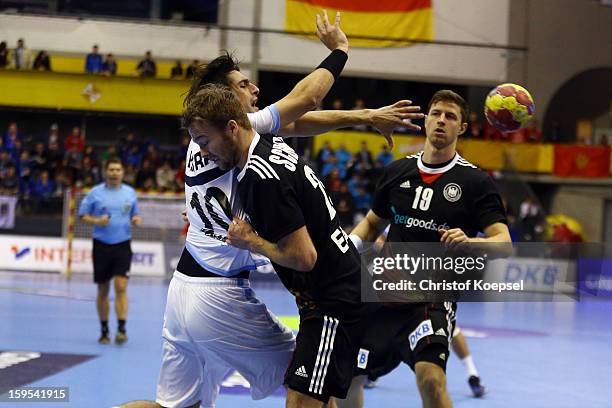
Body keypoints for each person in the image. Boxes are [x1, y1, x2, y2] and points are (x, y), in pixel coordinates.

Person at [117, 10, 422, 408]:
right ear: (225, 106)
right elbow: (306, 100)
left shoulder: (204, 139)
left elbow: (298, 122)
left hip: (183, 289)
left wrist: (364, 116)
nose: (254, 90)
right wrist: (340, 51)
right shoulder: (237, 136)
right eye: (242, 86)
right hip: (218, 293)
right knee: (308, 385)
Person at [185, 82, 368, 407]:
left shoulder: (262, 178)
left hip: (333, 301)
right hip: (328, 295)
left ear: (231, 128)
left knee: (299, 402)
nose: (202, 152)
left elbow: (303, 256)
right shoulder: (267, 146)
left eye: (204, 141)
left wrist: (252, 241)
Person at [338, 90, 511, 408]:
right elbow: (372, 224)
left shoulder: (475, 183)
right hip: (383, 296)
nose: (441, 120)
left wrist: (470, 242)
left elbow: (504, 243)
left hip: (431, 300)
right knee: (346, 377)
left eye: (450, 116)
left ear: (461, 128)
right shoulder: (397, 172)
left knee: (431, 379)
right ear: (426, 120)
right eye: (436, 113)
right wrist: (345, 251)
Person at [78, 158, 141, 345]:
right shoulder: (95, 193)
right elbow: (82, 215)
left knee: (121, 287)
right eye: (111, 169)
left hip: (122, 245)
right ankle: (104, 330)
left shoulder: (130, 193)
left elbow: (135, 214)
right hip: (101, 245)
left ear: (122, 172)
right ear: (106, 172)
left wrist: (136, 219)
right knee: (103, 289)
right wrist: (97, 221)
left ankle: (122, 328)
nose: (114, 173)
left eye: (118, 169)